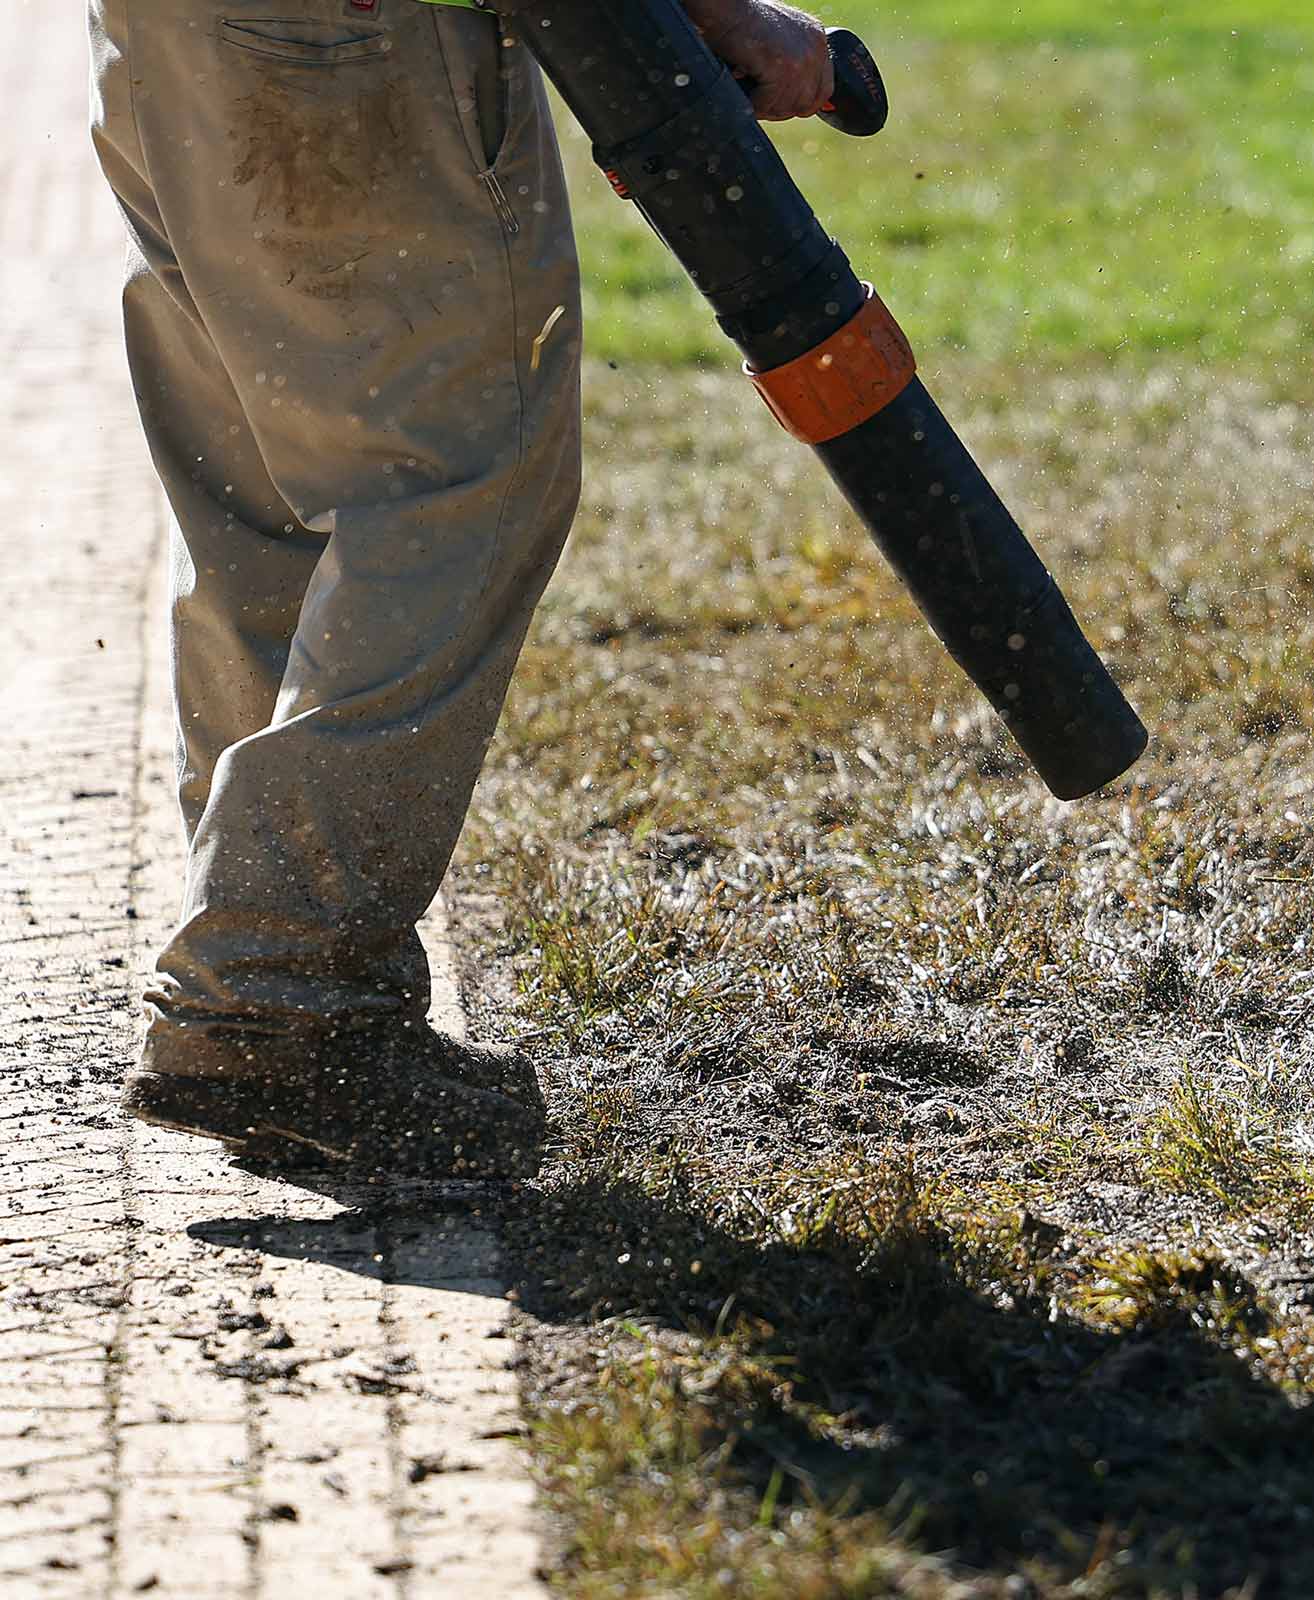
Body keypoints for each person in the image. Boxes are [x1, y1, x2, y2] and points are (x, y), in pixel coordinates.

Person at [89, 0, 832, 1175]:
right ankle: (282, 997)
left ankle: (274, 971)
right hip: (355, 37)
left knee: (266, 479)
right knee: (461, 473)